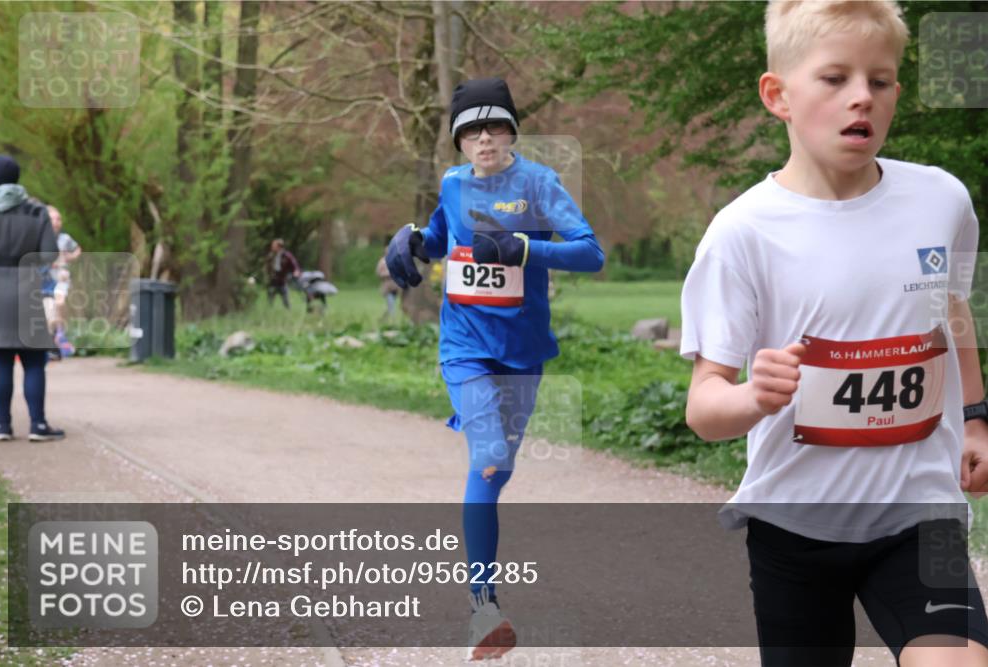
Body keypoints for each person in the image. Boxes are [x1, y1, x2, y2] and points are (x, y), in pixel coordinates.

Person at [680, 2, 988, 665]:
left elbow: (954, 309)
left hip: (919, 516)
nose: (861, 98)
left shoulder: (942, 201)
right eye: (834, 78)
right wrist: (755, 398)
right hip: (796, 526)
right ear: (778, 94)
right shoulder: (743, 233)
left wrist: (975, 418)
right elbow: (704, 408)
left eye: (879, 81)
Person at [384, 77, 604, 661]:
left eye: (495, 126)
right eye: (472, 130)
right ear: (459, 140)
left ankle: (484, 598)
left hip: (523, 350)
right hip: (464, 347)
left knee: (497, 471)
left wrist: (525, 248)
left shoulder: (538, 183)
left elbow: (590, 252)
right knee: (487, 462)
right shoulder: (453, 184)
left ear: (511, 131)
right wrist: (408, 243)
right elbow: (437, 236)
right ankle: (484, 608)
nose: (485, 138)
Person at [0, 154, 65, 441]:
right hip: (27, 289)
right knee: (34, 360)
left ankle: (3, 427)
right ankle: (37, 425)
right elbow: (49, 254)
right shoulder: (36, 211)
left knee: (0, 361)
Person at [46, 205, 80, 358]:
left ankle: (60, 334)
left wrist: (69, 258)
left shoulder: (65, 239)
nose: (56, 222)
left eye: (58, 219)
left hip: (61, 277)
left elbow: (78, 249)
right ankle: (54, 338)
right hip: (45, 280)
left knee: (59, 303)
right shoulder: (41, 238)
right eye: (52, 218)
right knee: (49, 312)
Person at [264, 238, 300, 309]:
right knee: (270, 300)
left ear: (279, 246)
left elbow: (294, 265)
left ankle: (288, 314)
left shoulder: (287, 256)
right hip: (273, 281)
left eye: (274, 245)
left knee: (286, 301)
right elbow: (267, 267)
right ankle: (268, 313)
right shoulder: (271, 256)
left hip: (282, 281)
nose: (272, 247)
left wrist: (296, 272)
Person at [375, 254, 399, 318]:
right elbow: (378, 273)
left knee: (391, 303)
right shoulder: (382, 261)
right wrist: (387, 273)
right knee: (391, 301)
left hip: (395, 285)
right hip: (387, 285)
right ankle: (393, 317)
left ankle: (383, 318)